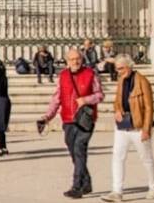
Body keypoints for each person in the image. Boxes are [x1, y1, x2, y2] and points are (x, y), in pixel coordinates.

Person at [41, 47, 104, 199]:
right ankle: (87, 182)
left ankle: (77, 186)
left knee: (79, 149)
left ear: (82, 59)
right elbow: (57, 98)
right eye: (72, 59)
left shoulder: (90, 74)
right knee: (75, 153)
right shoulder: (63, 76)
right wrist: (47, 116)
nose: (75, 61)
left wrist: (86, 100)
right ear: (67, 61)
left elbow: (100, 95)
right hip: (68, 119)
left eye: (78, 58)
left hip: (85, 120)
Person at [101, 54, 154, 202]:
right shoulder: (121, 80)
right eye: (117, 69)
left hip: (139, 126)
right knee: (117, 156)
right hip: (123, 125)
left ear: (129, 66)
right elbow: (117, 100)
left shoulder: (142, 81)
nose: (119, 71)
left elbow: (149, 106)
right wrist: (117, 110)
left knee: (146, 158)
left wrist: (146, 129)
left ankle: (153, 187)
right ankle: (117, 191)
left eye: (121, 68)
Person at [0, 58, 11, 157]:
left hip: (0, 100)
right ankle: (3, 146)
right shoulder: (3, 77)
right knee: (0, 126)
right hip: (4, 100)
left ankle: (0, 147)